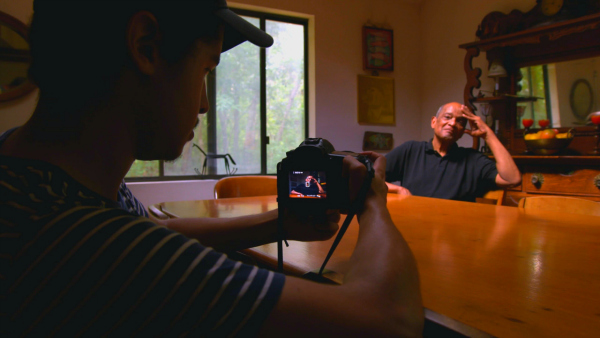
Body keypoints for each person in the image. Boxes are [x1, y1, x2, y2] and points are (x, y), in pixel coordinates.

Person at [0, 0, 423, 337]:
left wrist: (280, 223)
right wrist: (372, 200)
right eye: (205, 69)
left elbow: (153, 230)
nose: (204, 104)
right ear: (145, 47)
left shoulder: (34, 169)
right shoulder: (81, 242)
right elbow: (389, 321)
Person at [385, 102, 521, 202]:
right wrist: (398, 189)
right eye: (447, 117)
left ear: (463, 131)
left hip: (454, 230)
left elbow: (512, 179)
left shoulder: (473, 159)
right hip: (415, 224)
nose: (452, 123)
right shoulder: (411, 150)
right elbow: (368, 176)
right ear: (434, 122)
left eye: (460, 121)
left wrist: (488, 135)